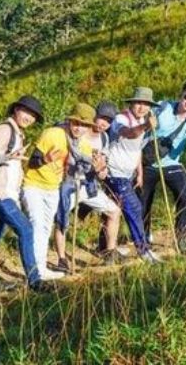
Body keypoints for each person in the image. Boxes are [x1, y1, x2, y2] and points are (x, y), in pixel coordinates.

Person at [0, 95, 52, 292]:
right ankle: (35, 281)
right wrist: (8, 157)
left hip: (7, 192)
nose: (29, 118)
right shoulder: (5, 129)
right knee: (26, 229)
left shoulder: (17, 133)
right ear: (16, 109)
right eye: (26, 112)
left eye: (33, 116)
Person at [22, 103, 99, 280]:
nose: (79, 128)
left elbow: (83, 172)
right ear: (70, 121)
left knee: (46, 228)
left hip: (54, 188)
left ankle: (40, 268)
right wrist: (46, 159)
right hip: (33, 184)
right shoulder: (52, 134)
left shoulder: (84, 146)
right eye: (76, 123)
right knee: (37, 224)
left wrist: (96, 169)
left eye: (85, 125)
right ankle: (35, 273)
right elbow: (33, 161)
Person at [139, 81, 186, 254]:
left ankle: (182, 237)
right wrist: (148, 122)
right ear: (181, 95)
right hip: (148, 162)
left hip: (172, 164)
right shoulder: (163, 106)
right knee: (144, 201)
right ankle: (144, 237)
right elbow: (144, 117)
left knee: (185, 197)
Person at [53, 101, 121, 270]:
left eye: (109, 121)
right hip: (67, 182)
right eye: (102, 118)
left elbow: (101, 168)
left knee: (114, 210)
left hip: (87, 184)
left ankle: (110, 252)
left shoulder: (104, 138)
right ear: (94, 116)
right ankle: (62, 259)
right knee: (61, 219)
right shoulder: (76, 130)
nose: (104, 124)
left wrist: (101, 170)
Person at [105, 87, 161, 264]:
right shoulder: (121, 119)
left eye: (146, 104)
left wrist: (140, 172)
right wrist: (145, 126)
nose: (142, 107)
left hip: (128, 174)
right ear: (131, 103)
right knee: (134, 207)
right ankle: (143, 250)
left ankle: (106, 250)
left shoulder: (144, 120)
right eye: (139, 103)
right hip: (114, 173)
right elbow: (129, 134)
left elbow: (137, 148)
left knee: (114, 210)